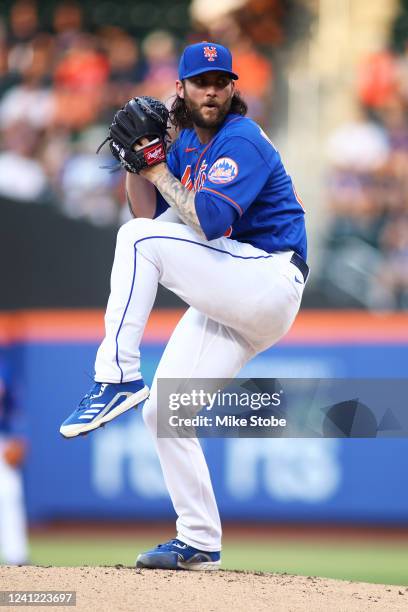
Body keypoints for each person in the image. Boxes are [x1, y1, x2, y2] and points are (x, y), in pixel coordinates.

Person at [60, 41, 308, 570]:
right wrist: (136, 161)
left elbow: (210, 220)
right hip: (235, 293)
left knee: (134, 241)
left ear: (233, 88)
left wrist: (155, 170)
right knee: (165, 412)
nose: (213, 90)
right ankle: (198, 540)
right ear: (182, 88)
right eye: (202, 81)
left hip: (267, 276)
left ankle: (118, 375)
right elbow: (152, 212)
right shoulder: (187, 145)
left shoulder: (242, 139)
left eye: (221, 81)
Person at [0, 356, 29, 566]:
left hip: (2, 439)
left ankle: (16, 558)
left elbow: (15, 408)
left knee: (10, 493)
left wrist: (17, 436)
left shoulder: (4, 368)